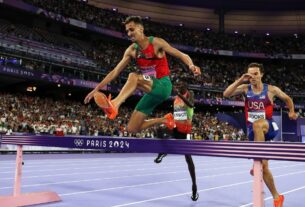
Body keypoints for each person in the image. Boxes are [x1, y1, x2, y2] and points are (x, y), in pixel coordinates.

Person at [84, 16, 201, 134]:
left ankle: (114, 104)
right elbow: (115, 72)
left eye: (132, 29)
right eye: (127, 31)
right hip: (150, 92)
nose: (129, 33)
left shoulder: (156, 43)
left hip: (164, 86)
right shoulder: (131, 51)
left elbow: (181, 55)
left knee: (133, 76)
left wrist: (191, 66)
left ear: (141, 29)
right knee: (132, 129)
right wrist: (96, 88)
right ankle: (165, 119)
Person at [223, 62, 298, 207]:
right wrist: (240, 79)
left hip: (268, 126)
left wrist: (292, 111)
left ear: (262, 74)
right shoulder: (245, 88)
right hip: (253, 132)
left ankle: (256, 158)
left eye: (256, 74)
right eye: (250, 75)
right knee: (264, 168)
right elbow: (226, 94)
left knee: (258, 124)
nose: (253, 77)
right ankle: (277, 197)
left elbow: (288, 99)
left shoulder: (271, 90)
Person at [154, 81, 199, 201]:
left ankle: (194, 187)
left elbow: (191, 105)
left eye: (180, 86)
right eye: (177, 86)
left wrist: (179, 95)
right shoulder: (176, 98)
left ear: (186, 86)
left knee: (188, 160)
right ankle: (164, 151)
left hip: (186, 132)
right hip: (176, 127)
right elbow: (177, 113)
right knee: (159, 129)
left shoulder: (190, 94)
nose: (178, 87)